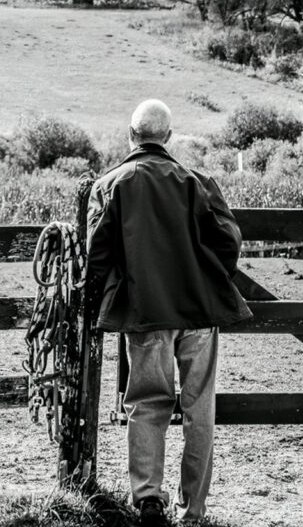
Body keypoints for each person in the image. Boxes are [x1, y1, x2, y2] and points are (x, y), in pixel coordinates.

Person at [85, 99, 251, 526]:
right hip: (198, 312)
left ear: (131, 135)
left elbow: (96, 257)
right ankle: (193, 510)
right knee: (201, 409)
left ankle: (148, 500)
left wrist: (94, 306)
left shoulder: (111, 185)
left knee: (146, 403)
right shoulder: (198, 182)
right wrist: (208, 275)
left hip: (146, 313)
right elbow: (229, 242)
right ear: (169, 138)